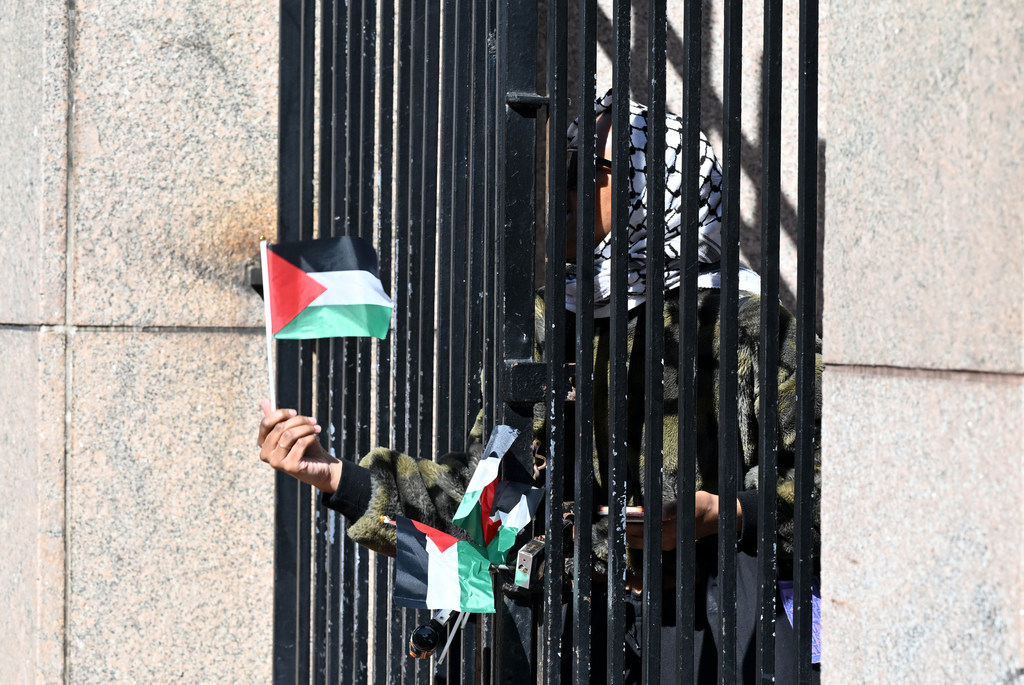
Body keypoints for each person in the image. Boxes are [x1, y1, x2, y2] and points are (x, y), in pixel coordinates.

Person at [258, 90, 822, 683]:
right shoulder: (551, 321)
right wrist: (337, 477)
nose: (564, 191)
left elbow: (831, 485)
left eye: (589, 172)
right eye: (563, 168)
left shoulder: (746, 323)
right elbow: (482, 498)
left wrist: (724, 513)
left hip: (707, 636)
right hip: (566, 635)